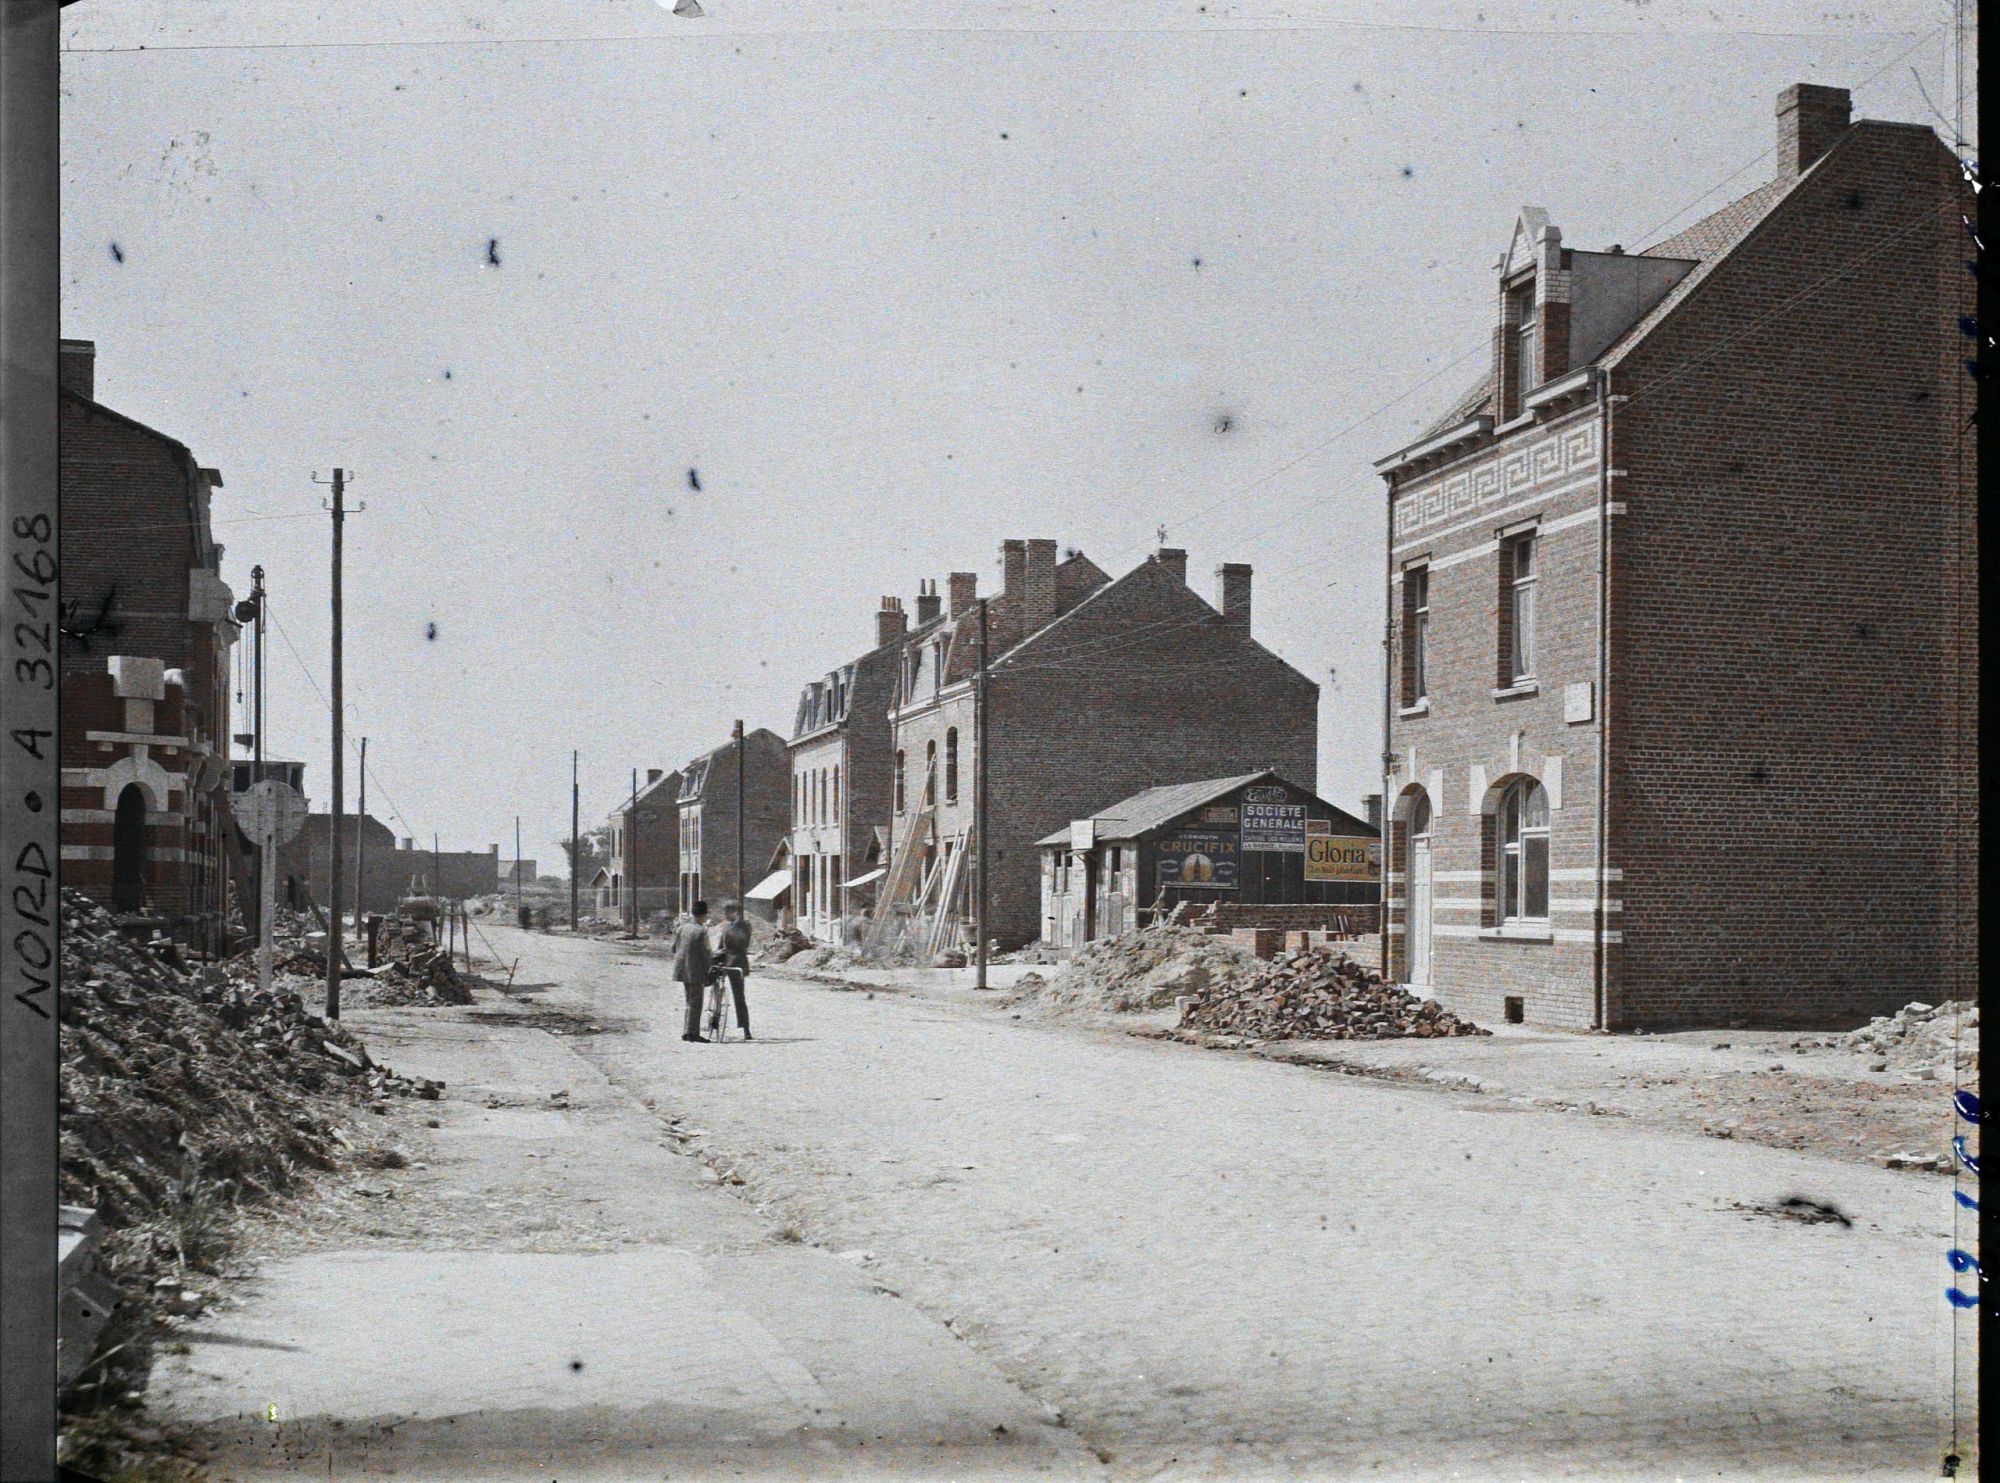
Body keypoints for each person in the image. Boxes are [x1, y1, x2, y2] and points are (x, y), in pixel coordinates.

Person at [708, 901, 753, 1040]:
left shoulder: (744, 926)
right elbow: (721, 945)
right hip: (726, 960)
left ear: (736, 912)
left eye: (728, 912)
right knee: (714, 983)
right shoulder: (727, 926)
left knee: (739, 996)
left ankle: (745, 1028)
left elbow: (744, 943)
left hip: (736, 962)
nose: (725, 915)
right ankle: (714, 1015)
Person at [670, 901, 714, 1042]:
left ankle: (687, 1031)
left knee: (689, 1001)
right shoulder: (701, 931)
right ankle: (692, 1033)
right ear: (703, 915)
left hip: (682, 970)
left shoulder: (682, 928)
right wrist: (709, 968)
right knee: (696, 1002)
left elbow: (673, 948)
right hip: (695, 971)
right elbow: (706, 953)